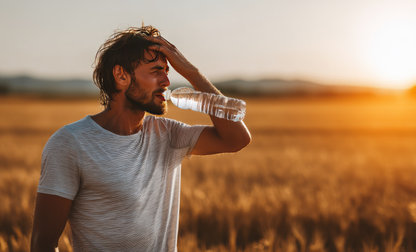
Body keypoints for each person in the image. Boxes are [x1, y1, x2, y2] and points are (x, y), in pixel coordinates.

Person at [30, 26, 251, 252]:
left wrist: (192, 73)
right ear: (121, 76)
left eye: (168, 71)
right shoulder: (70, 143)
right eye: (156, 71)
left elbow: (237, 138)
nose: (166, 81)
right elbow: (43, 244)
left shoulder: (168, 135)